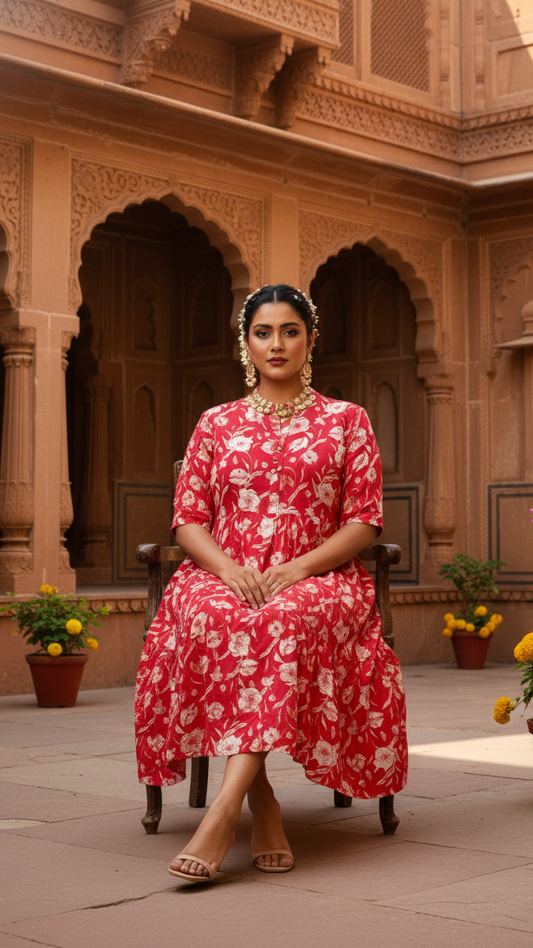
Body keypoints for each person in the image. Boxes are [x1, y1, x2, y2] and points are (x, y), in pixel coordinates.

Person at [134, 284, 408, 884]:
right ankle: (260, 803)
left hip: (322, 576)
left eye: (290, 331)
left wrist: (298, 567)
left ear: (309, 339)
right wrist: (229, 569)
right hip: (222, 571)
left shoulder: (346, 421)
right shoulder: (216, 422)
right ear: (246, 342)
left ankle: (224, 810)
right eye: (264, 332)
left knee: (277, 616)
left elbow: (364, 520)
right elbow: (187, 521)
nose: (277, 344)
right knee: (224, 614)